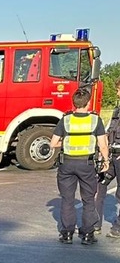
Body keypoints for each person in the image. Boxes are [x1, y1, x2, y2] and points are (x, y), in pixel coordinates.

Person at [51, 86, 109, 244]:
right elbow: (103, 144)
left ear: (74, 103)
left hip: (67, 164)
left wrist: (67, 141)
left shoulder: (66, 120)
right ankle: (88, 235)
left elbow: (53, 143)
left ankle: (67, 234)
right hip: (87, 164)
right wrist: (106, 161)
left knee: (67, 199)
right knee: (89, 199)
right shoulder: (95, 120)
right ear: (88, 103)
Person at [92, 78, 120, 238]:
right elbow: (108, 131)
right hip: (111, 155)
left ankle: (118, 228)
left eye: (118, 90)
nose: (117, 93)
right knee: (99, 186)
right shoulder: (117, 111)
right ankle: (95, 224)